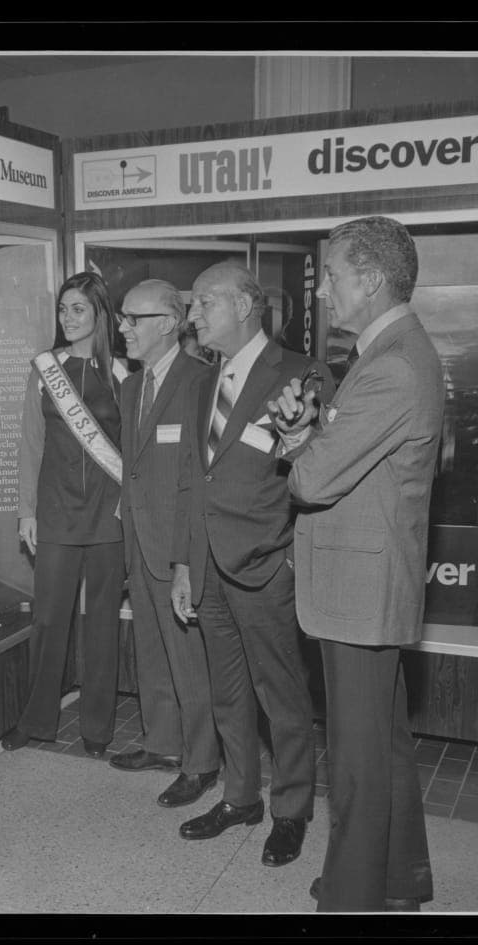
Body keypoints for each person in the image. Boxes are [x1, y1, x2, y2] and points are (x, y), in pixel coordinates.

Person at [269, 215, 443, 913]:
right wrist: (304, 433)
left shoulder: (393, 363)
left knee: (358, 764)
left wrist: (299, 447)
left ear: (370, 280)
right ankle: (398, 882)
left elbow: (313, 481)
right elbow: (343, 461)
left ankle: (352, 898)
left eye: (334, 275)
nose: (325, 289)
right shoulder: (389, 352)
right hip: (366, 585)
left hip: (360, 591)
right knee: (386, 748)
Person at [169, 261, 332, 866]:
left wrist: (289, 557)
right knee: (228, 692)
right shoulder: (200, 381)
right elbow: (193, 479)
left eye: (202, 303)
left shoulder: (300, 372)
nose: (192, 316)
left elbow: (315, 467)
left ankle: (290, 811)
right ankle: (240, 798)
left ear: (243, 305)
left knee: (282, 696)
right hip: (208, 565)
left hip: (266, 563)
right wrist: (185, 564)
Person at [3, 272, 126, 758]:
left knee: (101, 625)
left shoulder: (123, 372)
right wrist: (25, 512)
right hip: (54, 514)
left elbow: (133, 451)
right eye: (63, 309)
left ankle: (97, 728)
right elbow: (30, 445)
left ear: (100, 313)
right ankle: (36, 722)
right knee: (49, 622)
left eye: (78, 309)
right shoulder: (44, 369)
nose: (68, 318)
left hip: (107, 517)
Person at [110, 279, 220, 808]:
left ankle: (201, 763)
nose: (123, 327)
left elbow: (196, 481)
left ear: (170, 323)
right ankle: (162, 743)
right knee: (151, 651)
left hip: (178, 550)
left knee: (188, 659)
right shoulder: (132, 386)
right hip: (139, 542)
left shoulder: (201, 382)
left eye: (134, 318)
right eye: (123, 318)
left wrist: (184, 560)